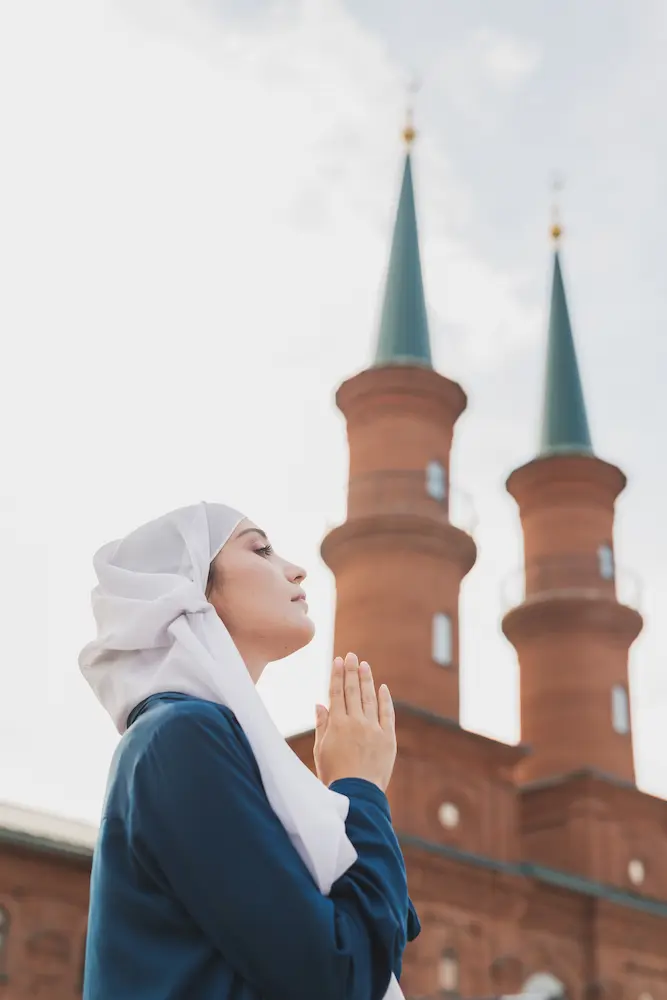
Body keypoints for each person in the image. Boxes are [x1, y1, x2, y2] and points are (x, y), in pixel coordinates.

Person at [79, 501, 420, 1000]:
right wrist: (360, 790)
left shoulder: (205, 740)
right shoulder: (180, 737)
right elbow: (339, 974)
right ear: (191, 590)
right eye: (260, 549)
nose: (296, 568)